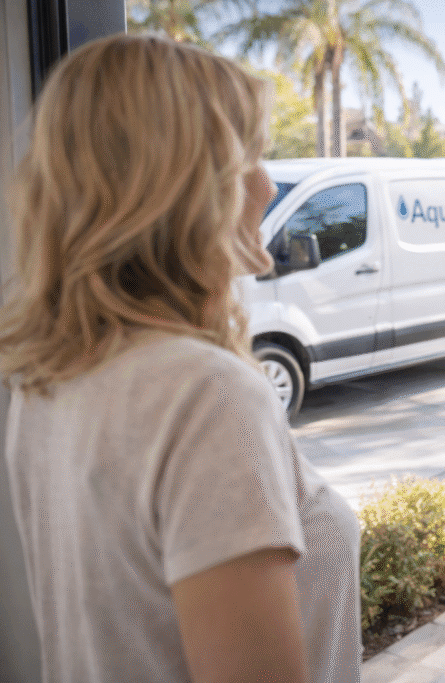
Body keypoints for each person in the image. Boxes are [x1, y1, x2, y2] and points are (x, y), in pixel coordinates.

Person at [0, 35, 360, 682]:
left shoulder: (46, 373)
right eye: (251, 154)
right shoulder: (205, 394)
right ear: (195, 184)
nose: (268, 180)